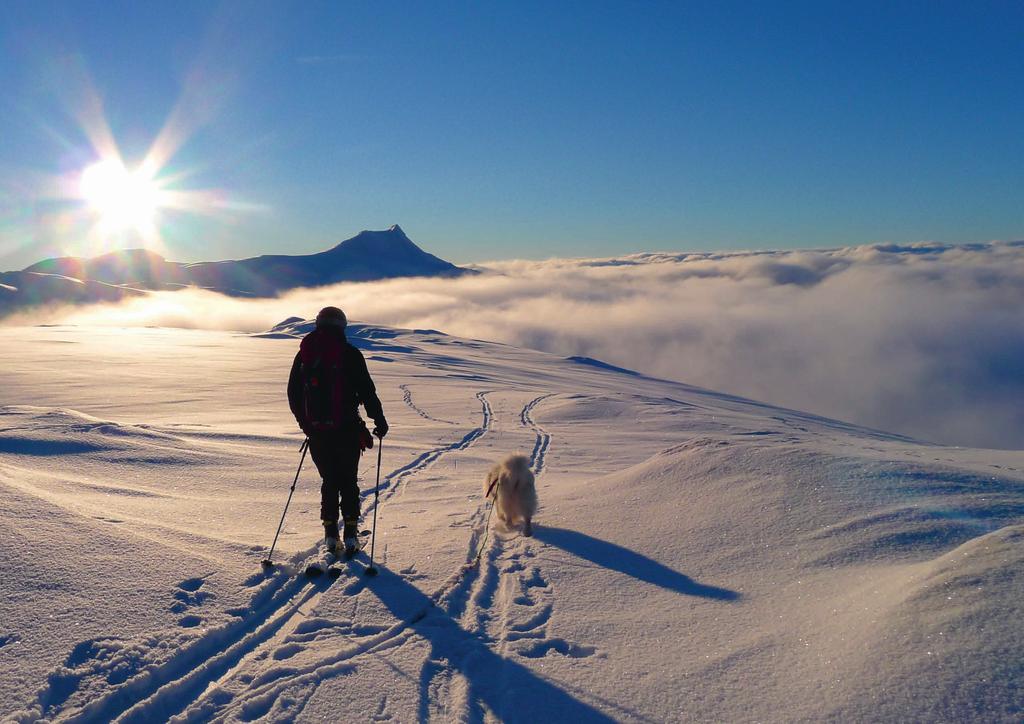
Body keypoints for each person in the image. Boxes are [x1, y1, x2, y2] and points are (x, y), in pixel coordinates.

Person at [287, 306, 388, 553]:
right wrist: (379, 420)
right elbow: (367, 391)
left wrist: (307, 425)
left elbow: (294, 394)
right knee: (348, 480)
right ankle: (351, 532)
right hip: (347, 429)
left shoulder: (304, 355)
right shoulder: (350, 354)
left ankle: (330, 533)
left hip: (318, 432)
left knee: (329, 480)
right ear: (342, 326)